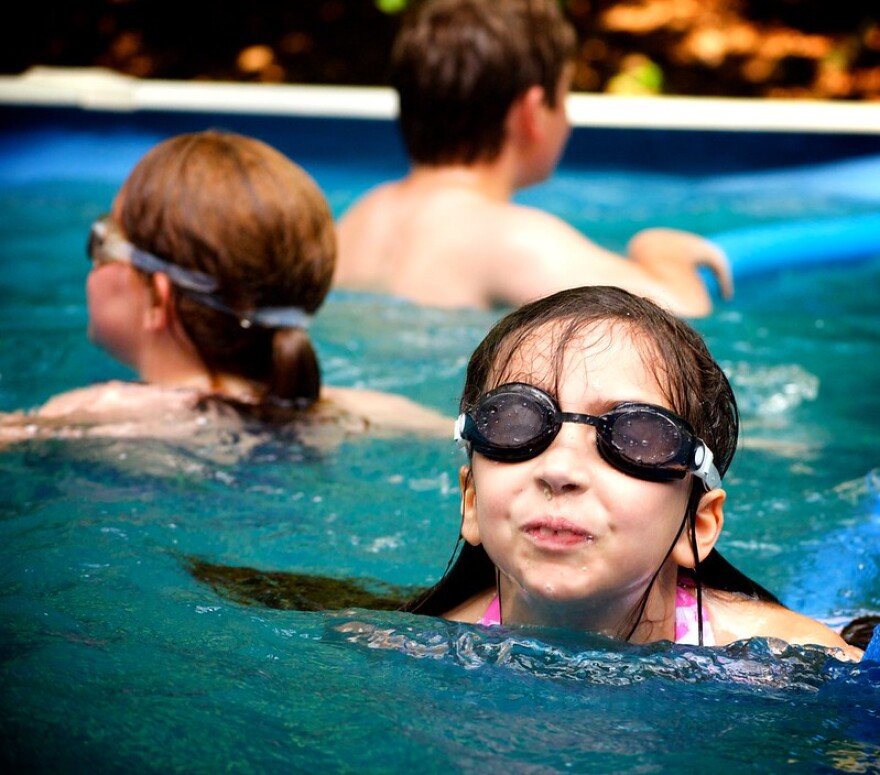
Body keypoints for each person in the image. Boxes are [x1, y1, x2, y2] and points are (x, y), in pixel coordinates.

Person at [402, 285, 861, 659]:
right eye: (517, 422)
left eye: (635, 436)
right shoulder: (414, 656)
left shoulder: (792, 662)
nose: (560, 470)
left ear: (697, 527)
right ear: (472, 502)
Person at [0, 130, 451, 449]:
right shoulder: (366, 411)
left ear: (158, 295)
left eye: (102, 241)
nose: (92, 259)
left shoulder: (93, 411)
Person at [335, 0, 732, 317]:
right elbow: (676, 313)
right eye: (565, 97)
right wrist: (660, 253)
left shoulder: (356, 221)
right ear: (533, 113)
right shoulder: (511, 238)